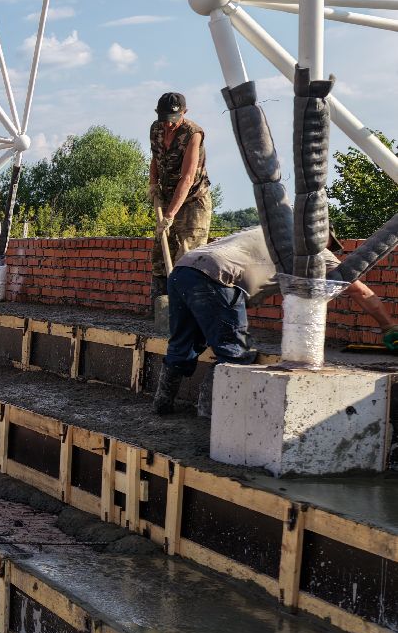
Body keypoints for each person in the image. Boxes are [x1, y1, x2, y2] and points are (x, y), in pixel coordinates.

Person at [153, 226, 398, 413]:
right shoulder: (313, 252)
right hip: (218, 278)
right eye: (329, 244)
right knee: (234, 354)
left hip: (184, 270)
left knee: (185, 343)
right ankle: (210, 413)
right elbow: (360, 291)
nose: (329, 251)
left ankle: (162, 405)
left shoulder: (269, 229)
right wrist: (389, 326)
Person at [149, 92, 213, 305]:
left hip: (193, 201)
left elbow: (187, 179)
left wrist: (169, 215)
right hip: (168, 197)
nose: (168, 125)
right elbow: (155, 158)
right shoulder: (156, 128)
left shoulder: (193, 133)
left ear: (184, 113)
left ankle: (188, 313)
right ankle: (161, 311)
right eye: (165, 119)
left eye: (173, 120)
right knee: (160, 256)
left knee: (188, 258)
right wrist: (153, 183)